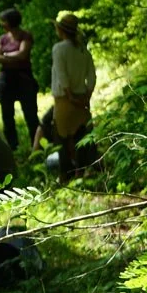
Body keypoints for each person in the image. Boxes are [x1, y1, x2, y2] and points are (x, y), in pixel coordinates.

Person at [51, 11, 96, 182]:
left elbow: (62, 75)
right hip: (82, 97)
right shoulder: (83, 51)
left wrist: (70, 95)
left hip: (65, 99)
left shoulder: (59, 49)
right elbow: (92, 75)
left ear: (61, 30)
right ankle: (83, 170)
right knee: (82, 136)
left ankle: (65, 174)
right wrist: (87, 96)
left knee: (62, 137)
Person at [0, 8, 39, 150]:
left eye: (4, 21)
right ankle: (13, 147)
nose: (2, 24)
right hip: (6, 80)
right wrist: (13, 55)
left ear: (11, 22)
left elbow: (23, 54)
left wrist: (5, 55)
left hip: (24, 79)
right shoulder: (3, 38)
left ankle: (36, 146)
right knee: (7, 116)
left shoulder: (25, 36)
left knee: (31, 115)